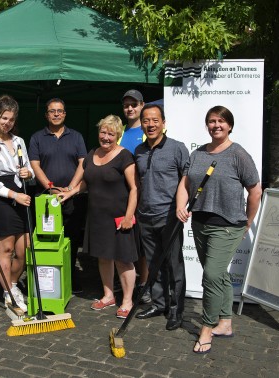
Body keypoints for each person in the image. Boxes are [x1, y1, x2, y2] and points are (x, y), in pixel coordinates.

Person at [176, 106, 262, 354]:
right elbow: (185, 182)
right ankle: (224, 322)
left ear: (230, 125)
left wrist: (247, 221)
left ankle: (206, 328)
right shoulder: (198, 153)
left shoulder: (238, 154)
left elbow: (255, 190)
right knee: (218, 274)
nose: (216, 125)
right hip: (200, 223)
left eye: (221, 121)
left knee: (211, 276)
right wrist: (180, 205)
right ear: (207, 125)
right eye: (212, 121)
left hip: (227, 226)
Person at [58, 115, 138, 319]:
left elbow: (134, 188)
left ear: (118, 135)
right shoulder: (92, 153)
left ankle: (127, 301)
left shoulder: (125, 156)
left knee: (123, 259)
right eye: (103, 132)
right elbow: (87, 181)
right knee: (104, 257)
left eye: (111, 134)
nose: (106, 137)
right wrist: (70, 192)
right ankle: (108, 295)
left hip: (119, 217)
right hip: (97, 216)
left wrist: (129, 216)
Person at [134, 104, 189, 331]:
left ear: (163, 123)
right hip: (145, 217)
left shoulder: (177, 148)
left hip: (169, 216)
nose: (150, 125)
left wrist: (180, 206)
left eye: (155, 120)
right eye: (146, 120)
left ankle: (176, 310)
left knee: (174, 265)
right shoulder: (138, 151)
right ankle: (159, 304)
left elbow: (187, 179)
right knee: (154, 263)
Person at [0, 95, 33, 313]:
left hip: (21, 193)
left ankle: (10, 283)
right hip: (1, 198)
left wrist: (28, 173)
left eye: (11, 119)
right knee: (6, 248)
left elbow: (28, 168)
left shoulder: (19, 141)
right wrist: (13, 195)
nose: (7, 123)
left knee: (24, 248)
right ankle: (9, 293)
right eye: (4, 118)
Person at [28, 98, 87, 293]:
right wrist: (50, 187)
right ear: (46, 114)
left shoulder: (76, 136)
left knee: (71, 240)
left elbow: (82, 163)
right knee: (47, 240)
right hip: (46, 199)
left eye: (60, 111)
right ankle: (48, 282)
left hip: (72, 198)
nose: (56, 114)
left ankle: (70, 278)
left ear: (65, 114)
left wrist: (70, 189)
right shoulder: (37, 137)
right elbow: (35, 165)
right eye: (52, 111)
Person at [119, 89, 150, 303]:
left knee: (144, 244)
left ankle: (144, 285)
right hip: (123, 196)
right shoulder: (120, 131)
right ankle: (130, 281)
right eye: (126, 105)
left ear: (142, 105)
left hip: (144, 196)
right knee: (129, 243)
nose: (130, 109)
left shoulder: (148, 130)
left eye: (134, 104)